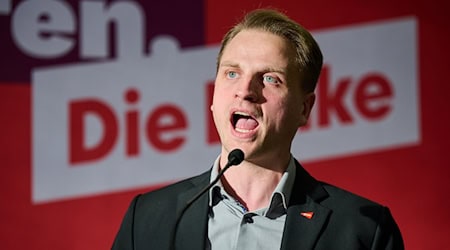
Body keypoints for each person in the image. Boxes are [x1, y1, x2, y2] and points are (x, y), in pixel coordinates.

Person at [112, 9, 404, 250]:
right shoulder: (149, 218)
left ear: (304, 108)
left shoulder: (363, 229)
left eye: (270, 79)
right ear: (213, 97)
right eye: (231, 73)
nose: (245, 91)